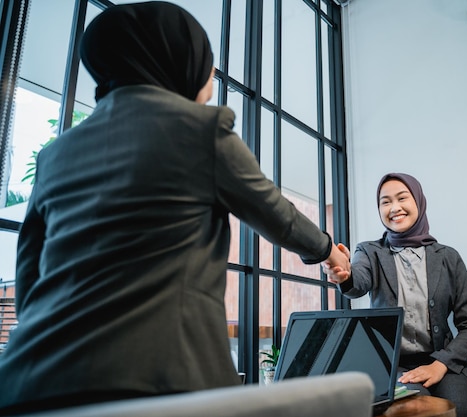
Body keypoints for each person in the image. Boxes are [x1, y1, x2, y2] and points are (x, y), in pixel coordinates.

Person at [0, 2, 349, 414]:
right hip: (161, 381)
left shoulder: (56, 153)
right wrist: (329, 249)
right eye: (209, 67)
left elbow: (29, 271)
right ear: (178, 63)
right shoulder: (201, 130)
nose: (211, 80)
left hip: (32, 380)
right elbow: (277, 214)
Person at [324, 173, 467, 417]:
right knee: (413, 412)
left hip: (445, 362)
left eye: (402, 198)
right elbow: (358, 281)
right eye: (385, 201)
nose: (394, 207)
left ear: (419, 202)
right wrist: (343, 275)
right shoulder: (370, 252)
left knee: (461, 410)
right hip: (394, 366)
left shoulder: (448, 257)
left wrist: (440, 364)